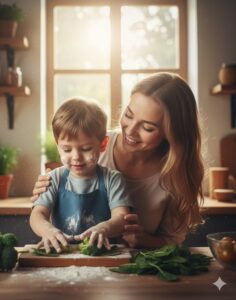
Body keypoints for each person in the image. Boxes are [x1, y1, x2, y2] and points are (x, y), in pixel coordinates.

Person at [31, 72, 204, 249]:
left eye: (147, 127)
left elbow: (173, 240)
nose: (131, 131)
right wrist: (45, 186)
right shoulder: (92, 144)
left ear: (172, 134)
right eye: (129, 115)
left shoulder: (175, 176)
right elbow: (62, 184)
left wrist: (144, 240)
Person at [30, 98, 133, 253]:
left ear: (103, 144)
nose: (76, 156)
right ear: (58, 146)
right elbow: (37, 215)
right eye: (66, 150)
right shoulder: (54, 179)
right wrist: (47, 230)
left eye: (85, 148)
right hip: (60, 253)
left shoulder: (113, 179)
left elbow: (121, 218)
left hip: (102, 254)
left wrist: (104, 228)